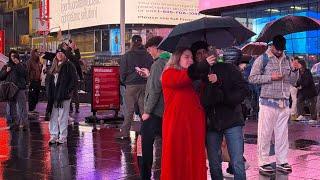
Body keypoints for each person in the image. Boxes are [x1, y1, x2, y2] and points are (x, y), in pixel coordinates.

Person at [188, 46, 249, 180]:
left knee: (237, 161)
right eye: (199, 53)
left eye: (205, 52)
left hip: (232, 120)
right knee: (214, 162)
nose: (203, 55)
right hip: (212, 123)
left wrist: (219, 83)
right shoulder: (197, 75)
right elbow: (201, 98)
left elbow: (242, 91)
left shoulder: (229, 68)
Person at [249, 35, 300, 174]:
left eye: (281, 49)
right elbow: (252, 78)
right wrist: (270, 77)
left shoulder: (288, 59)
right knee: (265, 133)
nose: (279, 52)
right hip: (267, 102)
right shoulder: (262, 59)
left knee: (282, 134)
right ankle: (263, 162)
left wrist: (295, 70)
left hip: (284, 102)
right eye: (277, 49)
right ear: (272, 46)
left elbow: (293, 81)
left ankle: (282, 161)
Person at [161, 47, 206, 180]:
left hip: (193, 124)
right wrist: (202, 66)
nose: (190, 60)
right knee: (176, 157)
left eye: (191, 57)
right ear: (177, 58)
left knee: (193, 157)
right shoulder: (169, 73)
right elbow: (182, 79)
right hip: (177, 125)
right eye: (186, 57)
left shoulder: (192, 78)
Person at [139, 36, 171, 180]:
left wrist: (147, 112)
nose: (148, 51)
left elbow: (155, 89)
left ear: (156, 48)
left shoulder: (158, 64)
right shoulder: (169, 61)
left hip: (154, 112)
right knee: (167, 145)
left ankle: (145, 176)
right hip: (165, 110)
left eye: (149, 48)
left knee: (145, 146)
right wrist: (149, 75)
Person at [115, 35, 153, 139]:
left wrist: (125, 81)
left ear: (132, 43)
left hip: (131, 85)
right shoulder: (148, 55)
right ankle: (146, 131)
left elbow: (122, 73)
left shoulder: (127, 56)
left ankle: (124, 132)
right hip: (144, 84)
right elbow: (151, 69)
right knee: (143, 109)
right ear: (141, 42)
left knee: (129, 110)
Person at [47, 48, 77, 145]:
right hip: (53, 96)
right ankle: (53, 136)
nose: (59, 54)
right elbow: (50, 81)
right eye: (58, 53)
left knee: (63, 117)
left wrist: (68, 91)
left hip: (64, 96)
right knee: (53, 116)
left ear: (65, 55)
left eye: (61, 53)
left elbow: (74, 80)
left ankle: (63, 137)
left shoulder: (69, 65)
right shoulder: (53, 66)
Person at [0, 50, 28, 131]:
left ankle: (23, 123)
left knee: (22, 106)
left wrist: (18, 64)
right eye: (12, 56)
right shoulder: (7, 65)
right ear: (10, 57)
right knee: (11, 107)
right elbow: (1, 76)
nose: (13, 58)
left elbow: (25, 74)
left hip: (20, 88)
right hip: (10, 89)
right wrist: (6, 71)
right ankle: (14, 123)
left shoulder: (21, 65)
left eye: (15, 56)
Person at [61, 41, 82, 113]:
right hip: (67, 78)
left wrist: (76, 49)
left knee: (75, 93)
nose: (66, 46)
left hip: (73, 77)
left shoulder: (69, 54)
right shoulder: (62, 53)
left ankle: (76, 107)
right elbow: (67, 54)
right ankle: (70, 107)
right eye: (65, 45)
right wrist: (71, 47)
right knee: (69, 93)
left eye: (67, 45)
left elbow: (77, 58)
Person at [295, 58, 318, 122]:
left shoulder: (307, 71)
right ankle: (301, 115)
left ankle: (314, 118)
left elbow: (308, 81)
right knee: (299, 101)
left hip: (310, 91)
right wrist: (296, 85)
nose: (297, 65)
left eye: (298, 64)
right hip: (302, 91)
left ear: (302, 64)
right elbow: (297, 81)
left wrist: (301, 86)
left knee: (312, 104)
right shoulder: (298, 72)